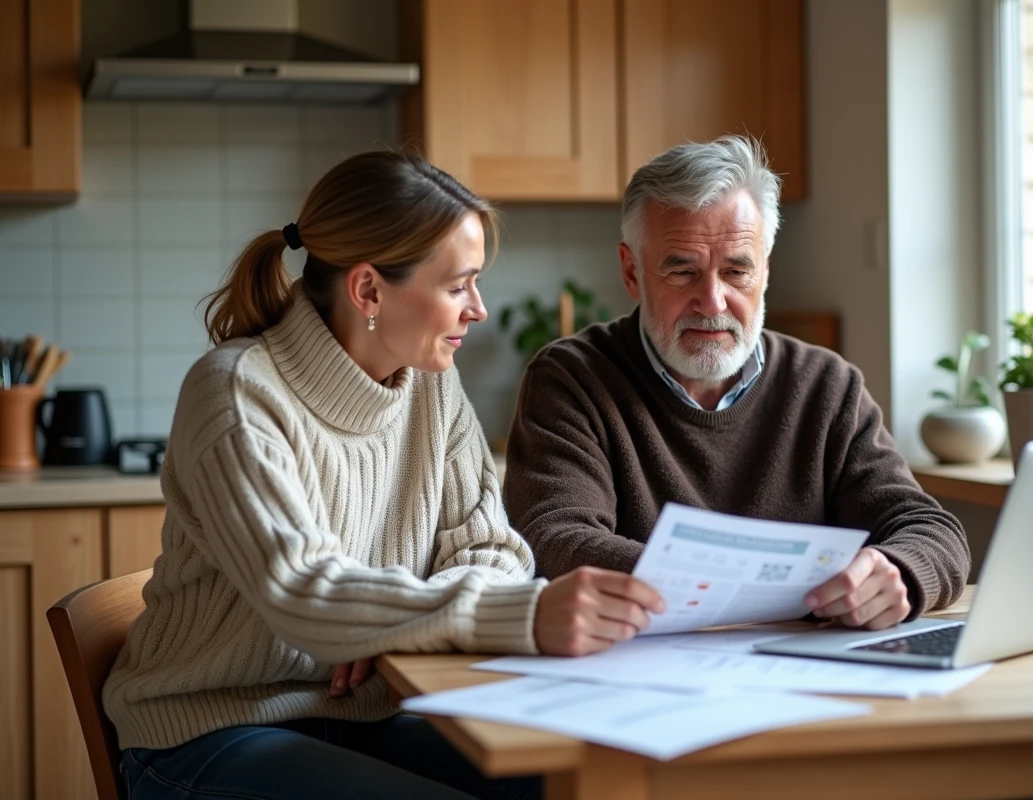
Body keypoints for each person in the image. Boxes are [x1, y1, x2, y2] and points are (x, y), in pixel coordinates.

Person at [103, 151, 665, 800]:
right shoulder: (236, 393)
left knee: (578, 785)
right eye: (458, 286)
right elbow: (303, 594)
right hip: (209, 729)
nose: (479, 309)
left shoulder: (431, 384)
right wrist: (513, 615)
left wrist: (396, 621)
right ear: (369, 290)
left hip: (369, 711)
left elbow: (493, 549)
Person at [504, 135, 971, 631]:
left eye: (736, 271)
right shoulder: (572, 378)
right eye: (682, 271)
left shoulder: (827, 385)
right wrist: (745, 585)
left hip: (802, 667)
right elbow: (554, 538)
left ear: (765, 271)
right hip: (641, 661)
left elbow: (930, 529)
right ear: (632, 271)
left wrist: (897, 571)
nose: (713, 301)